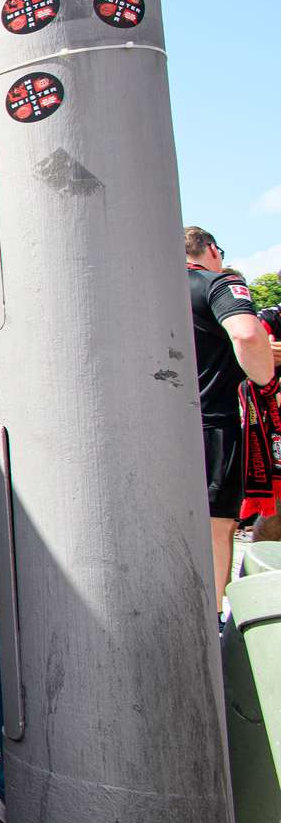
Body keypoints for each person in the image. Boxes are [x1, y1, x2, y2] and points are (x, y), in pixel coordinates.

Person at [183, 228, 272, 605]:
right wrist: (264, 374)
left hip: (153, 427)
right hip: (213, 424)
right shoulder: (218, 285)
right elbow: (248, 335)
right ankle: (209, 618)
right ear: (213, 251)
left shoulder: (143, 286)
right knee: (217, 527)